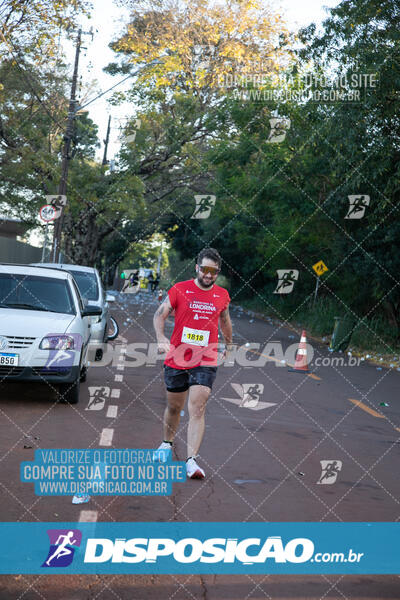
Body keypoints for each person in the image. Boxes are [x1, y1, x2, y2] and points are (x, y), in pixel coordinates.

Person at [153, 247, 233, 479]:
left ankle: (191, 462)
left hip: (205, 358)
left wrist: (228, 345)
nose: (209, 275)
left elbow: (225, 321)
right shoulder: (180, 289)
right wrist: (160, 337)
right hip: (177, 356)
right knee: (174, 407)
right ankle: (166, 443)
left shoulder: (221, 295)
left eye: (214, 271)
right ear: (197, 268)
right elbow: (160, 314)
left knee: (197, 407)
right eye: (205, 269)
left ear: (217, 272)